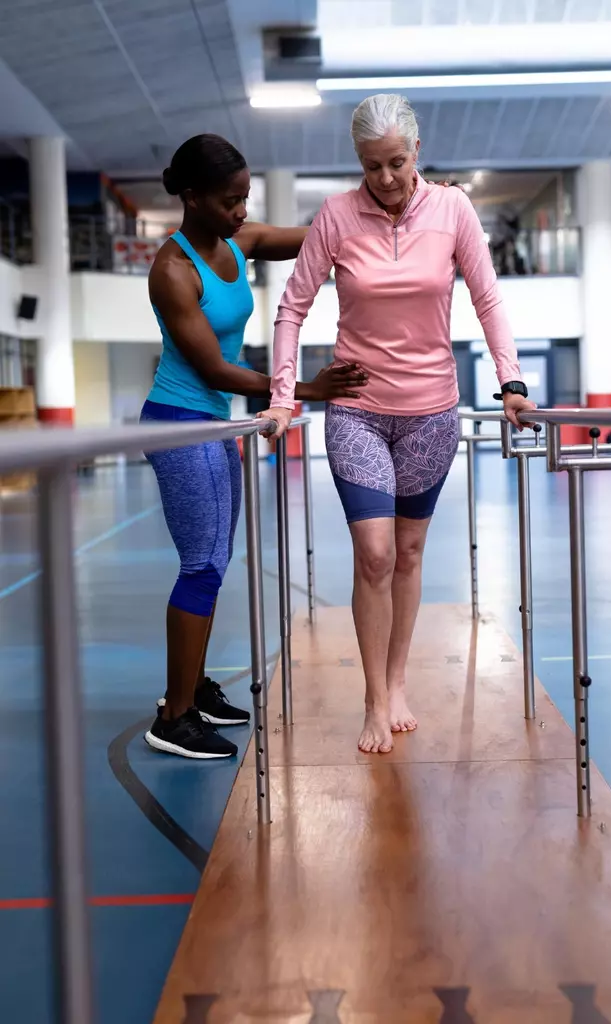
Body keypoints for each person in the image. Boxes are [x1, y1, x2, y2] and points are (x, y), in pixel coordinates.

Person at [260, 95, 536, 755]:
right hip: (356, 411)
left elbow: (487, 295)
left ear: (416, 151)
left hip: (430, 413)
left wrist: (511, 381)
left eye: (394, 162)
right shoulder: (335, 216)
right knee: (374, 553)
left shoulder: (452, 211)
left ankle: (397, 678)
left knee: (408, 554)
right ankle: (373, 698)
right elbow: (291, 308)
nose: (383, 178)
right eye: (369, 165)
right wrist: (282, 397)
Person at [141, 134, 368, 759]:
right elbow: (214, 368)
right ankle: (174, 714)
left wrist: (371, 202)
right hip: (180, 424)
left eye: (246, 198)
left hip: (217, 427)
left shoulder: (239, 243)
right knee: (201, 565)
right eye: (230, 200)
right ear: (191, 197)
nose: (243, 212)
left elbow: (314, 236)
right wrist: (307, 388)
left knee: (214, 561)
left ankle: (194, 688)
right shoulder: (173, 269)